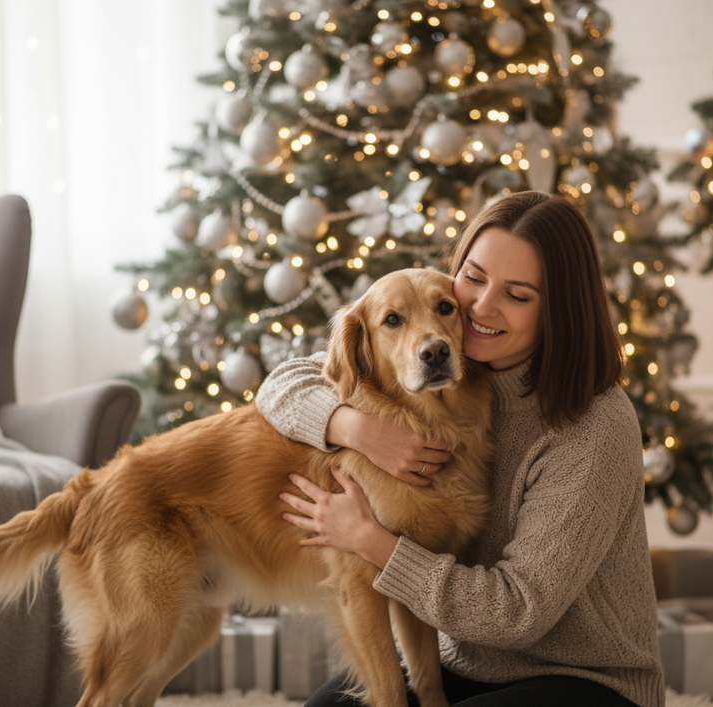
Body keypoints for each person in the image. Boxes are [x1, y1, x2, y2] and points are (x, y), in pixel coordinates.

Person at [256, 190, 665, 707]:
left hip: (584, 681)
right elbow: (284, 381)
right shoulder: (454, 361)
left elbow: (517, 611)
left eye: (517, 295)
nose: (481, 307)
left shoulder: (595, 424)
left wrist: (372, 541)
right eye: (473, 278)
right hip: (465, 665)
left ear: (559, 309)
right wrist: (356, 429)